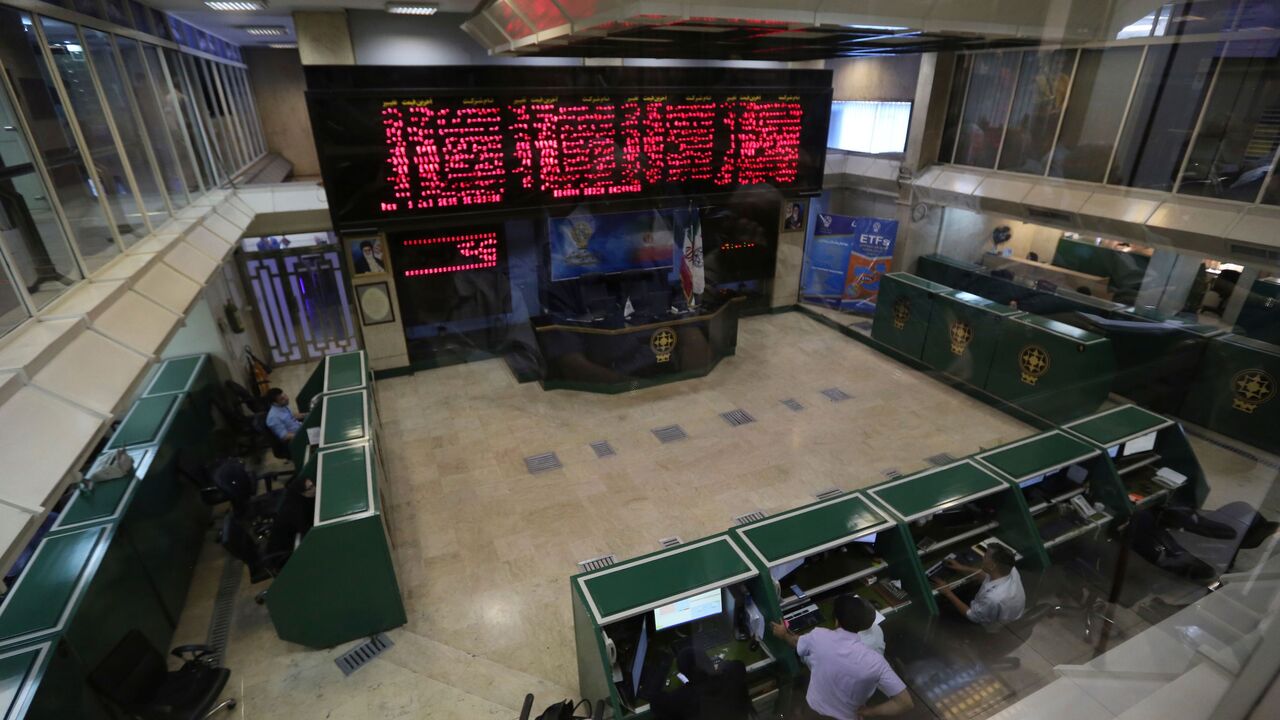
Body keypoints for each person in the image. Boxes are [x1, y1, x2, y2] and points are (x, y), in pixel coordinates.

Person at [771, 595, 914, 719]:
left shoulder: (819, 636)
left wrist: (783, 634)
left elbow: (795, 642)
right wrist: (869, 712)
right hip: (848, 716)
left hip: (814, 710)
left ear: (836, 621)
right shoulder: (876, 662)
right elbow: (905, 703)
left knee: (798, 712)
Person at [933, 546, 1025, 627]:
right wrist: (962, 567)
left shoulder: (993, 598)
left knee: (942, 608)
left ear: (992, 565)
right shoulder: (1010, 569)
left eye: (986, 556)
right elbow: (988, 574)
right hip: (1006, 611)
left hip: (990, 623)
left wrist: (948, 592)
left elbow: (972, 615)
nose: (982, 557)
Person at [650, 646, 751, 720]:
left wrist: (664, 666)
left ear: (685, 673)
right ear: (708, 661)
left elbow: (655, 702)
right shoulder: (733, 673)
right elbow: (737, 664)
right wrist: (719, 668)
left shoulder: (681, 698)